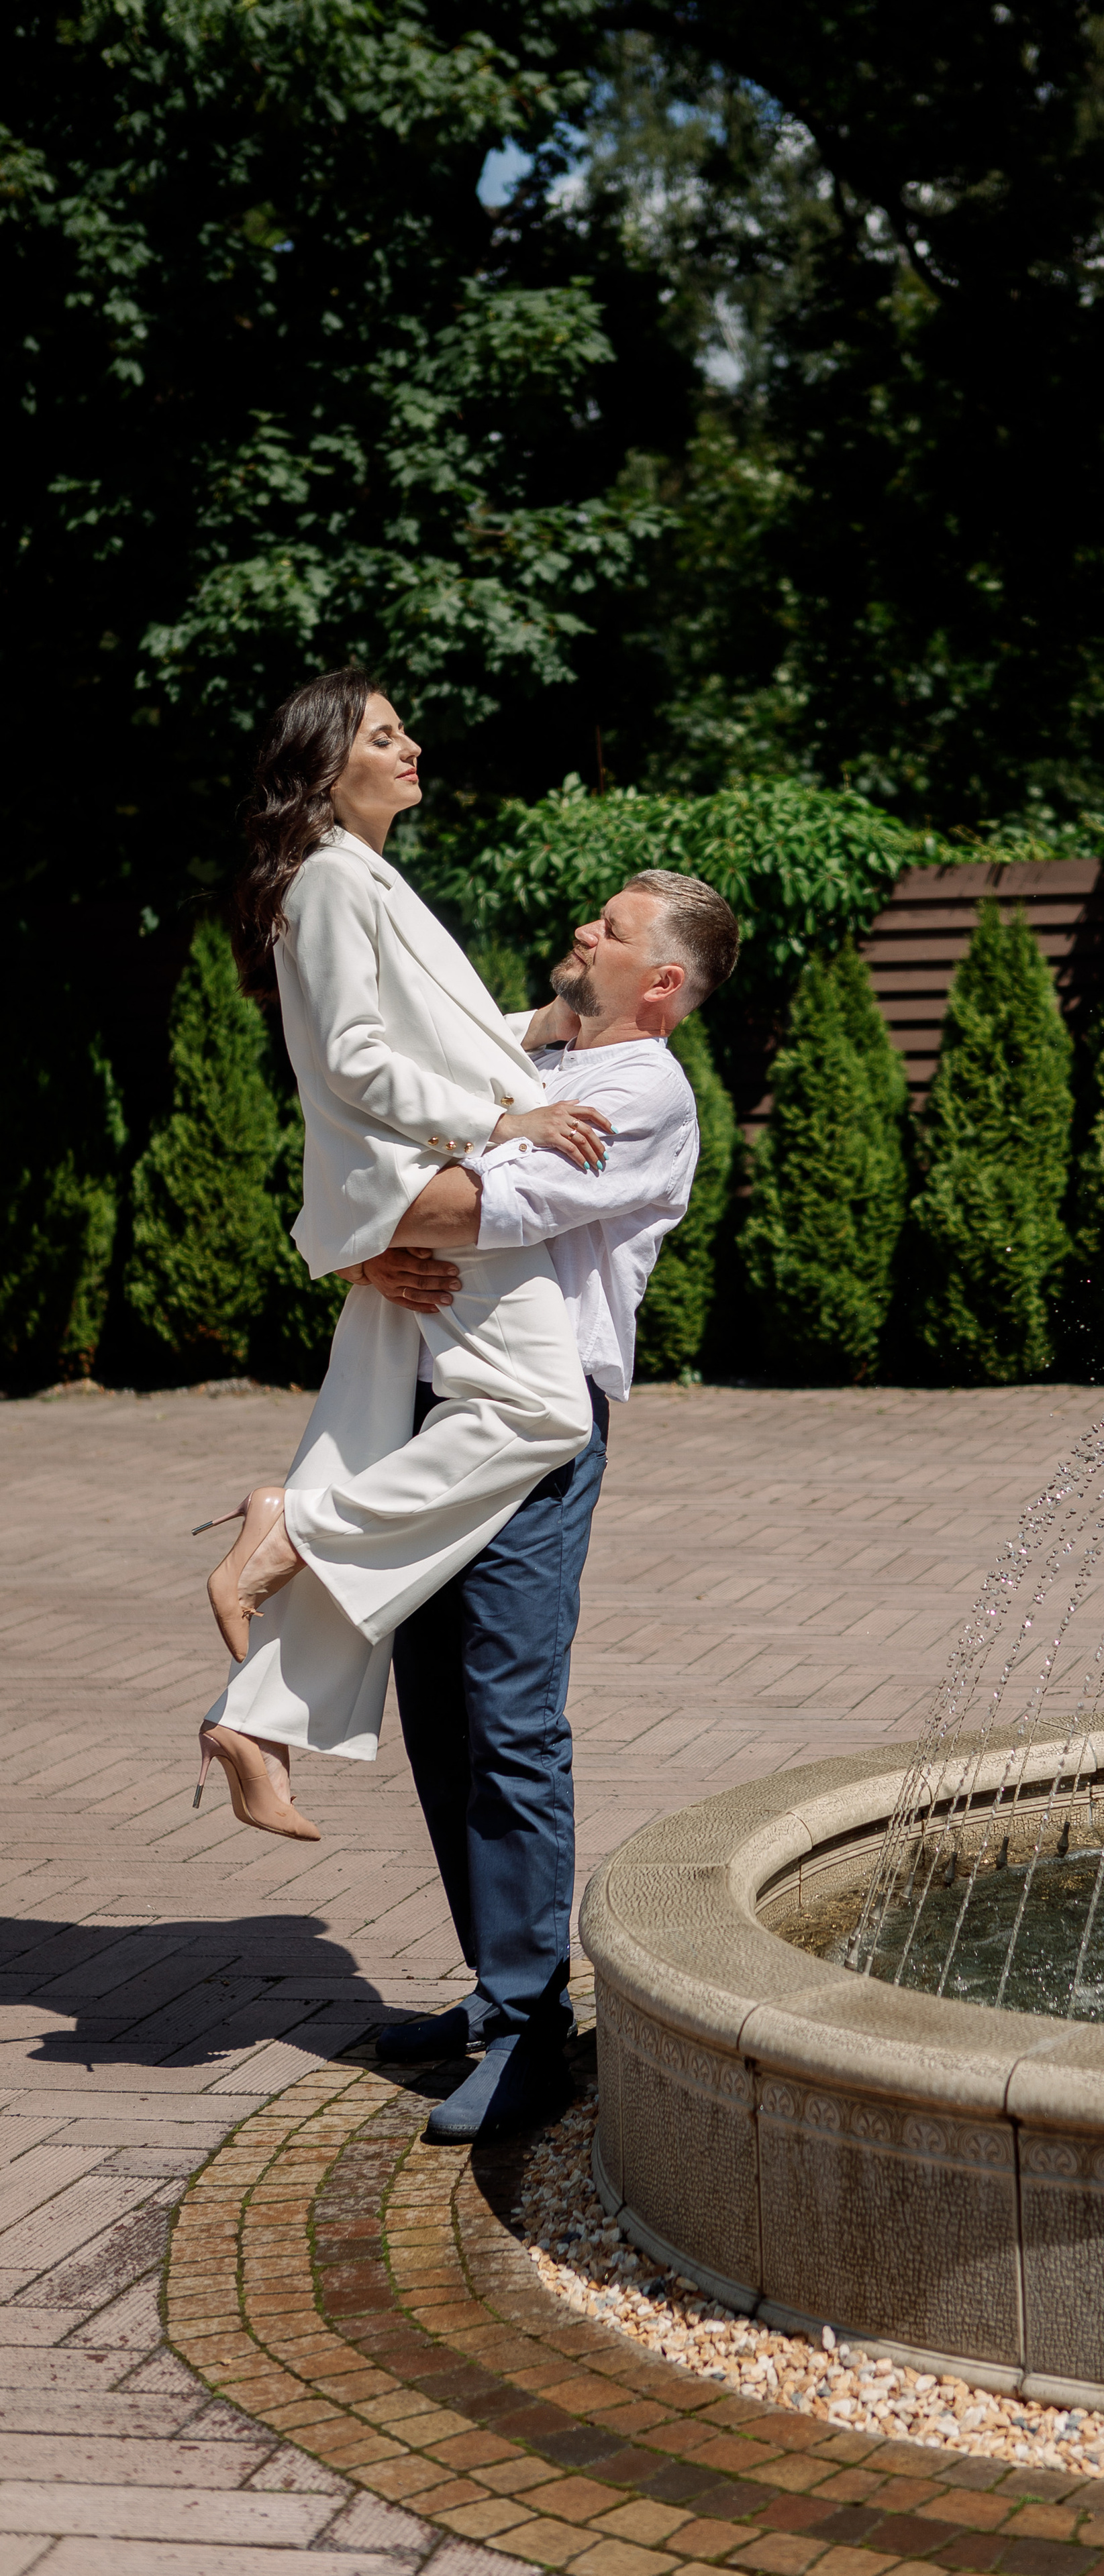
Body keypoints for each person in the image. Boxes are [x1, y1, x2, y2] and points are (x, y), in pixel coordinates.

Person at [353, 866, 740, 2140]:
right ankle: (492, 1991)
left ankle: (531, 2030)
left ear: (662, 981)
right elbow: (377, 1095)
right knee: (439, 1713)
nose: (584, 930)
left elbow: (474, 1212)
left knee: (508, 1717)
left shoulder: (643, 1091)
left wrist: (352, 1213)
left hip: (533, 1433)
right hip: (428, 1409)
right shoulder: (534, 1049)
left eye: (614, 930)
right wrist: (365, 1220)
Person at [195, 668, 610, 1841]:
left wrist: (554, 1024)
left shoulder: (365, 875)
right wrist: (510, 1122)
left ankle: (258, 1722)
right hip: (423, 1190)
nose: (411, 745)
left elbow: (451, 1034)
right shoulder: (327, 881)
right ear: (330, 767)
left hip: (403, 1200)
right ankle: (288, 1530)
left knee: (368, 1450)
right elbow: (353, 1061)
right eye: (384, 735)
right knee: (541, 1412)